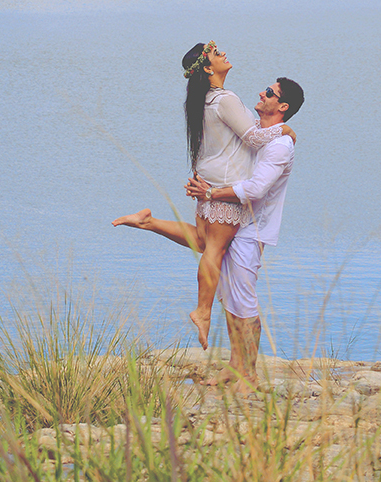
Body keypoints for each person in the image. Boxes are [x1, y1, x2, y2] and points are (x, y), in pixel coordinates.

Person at [113, 41, 293, 351]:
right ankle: (203, 310)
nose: (222, 53)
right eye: (215, 53)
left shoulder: (205, 100)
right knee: (215, 248)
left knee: (201, 240)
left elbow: (238, 133)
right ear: (208, 68)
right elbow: (253, 138)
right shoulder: (225, 99)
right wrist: (285, 131)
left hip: (208, 179)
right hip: (223, 183)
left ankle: (148, 222)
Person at [186, 77, 304, 393]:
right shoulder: (257, 133)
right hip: (236, 222)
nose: (262, 93)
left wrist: (210, 193)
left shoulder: (280, 146)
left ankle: (249, 375)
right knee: (230, 296)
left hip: (253, 229)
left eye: (270, 93)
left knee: (245, 300)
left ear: (282, 106)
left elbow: (255, 189)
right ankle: (235, 366)